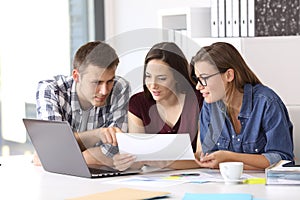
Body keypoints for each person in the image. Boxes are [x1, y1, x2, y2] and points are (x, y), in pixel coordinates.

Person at [192, 42, 294, 170]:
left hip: (266, 185)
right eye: (197, 79)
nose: (198, 86)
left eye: (204, 78)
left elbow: (282, 158)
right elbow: (209, 156)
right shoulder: (210, 107)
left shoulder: (267, 102)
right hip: (225, 183)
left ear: (229, 75)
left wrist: (229, 157)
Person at [34, 41, 131, 166]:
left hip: (100, 178)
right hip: (57, 178)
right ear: (76, 76)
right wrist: (98, 134)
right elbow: (53, 145)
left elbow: (115, 149)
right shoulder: (50, 89)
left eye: (110, 81)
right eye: (97, 82)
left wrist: (62, 154)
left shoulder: (120, 88)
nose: (104, 91)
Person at [112, 42, 204, 171]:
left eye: (161, 78)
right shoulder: (138, 103)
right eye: (148, 76)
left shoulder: (199, 100)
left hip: (196, 177)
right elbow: (138, 156)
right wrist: (126, 162)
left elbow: (201, 158)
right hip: (155, 179)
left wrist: (157, 161)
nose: (153, 85)